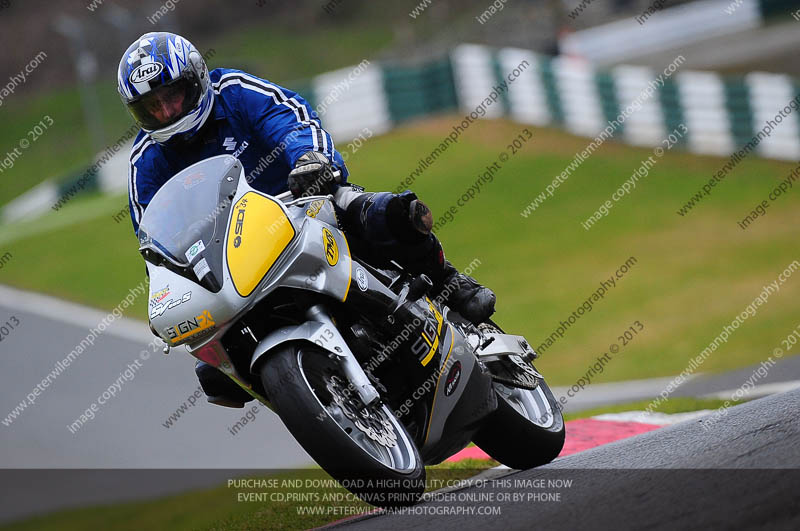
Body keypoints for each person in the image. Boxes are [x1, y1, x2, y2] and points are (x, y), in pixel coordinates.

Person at [119, 32, 495, 408]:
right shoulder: (144, 162)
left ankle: (448, 281)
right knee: (215, 367)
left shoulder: (233, 92)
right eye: (152, 105)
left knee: (385, 213)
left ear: (197, 79)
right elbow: (155, 243)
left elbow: (291, 119)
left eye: (172, 96)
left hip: (300, 202)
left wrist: (309, 159)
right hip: (232, 254)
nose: (167, 112)